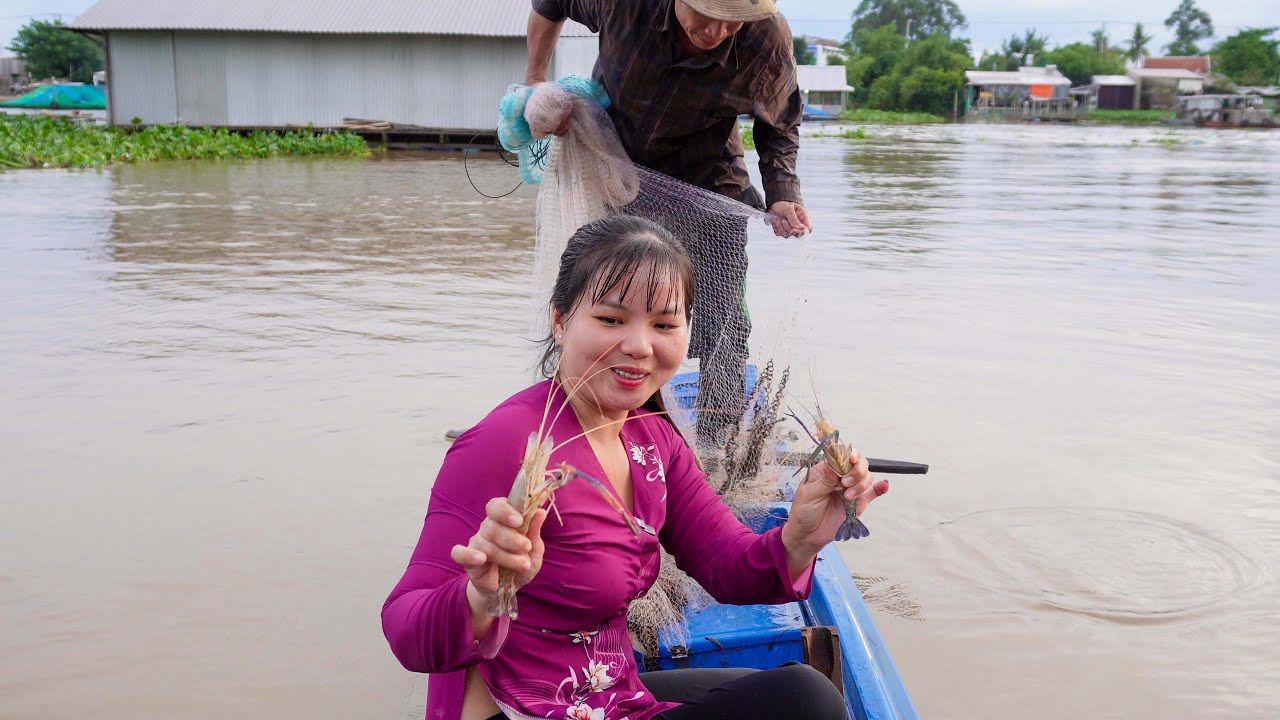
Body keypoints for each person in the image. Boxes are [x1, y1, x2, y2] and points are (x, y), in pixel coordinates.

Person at [382, 215, 889, 720]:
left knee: (788, 690)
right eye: (611, 319)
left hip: (605, 693)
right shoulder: (504, 443)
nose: (640, 346)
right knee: (807, 700)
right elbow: (404, 626)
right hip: (522, 710)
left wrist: (802, 538)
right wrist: (479, 596)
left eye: (665, 324)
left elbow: (725, 564)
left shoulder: (652, 441)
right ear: (560, 321)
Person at [523, 0, 813, 447]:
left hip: (709, 181)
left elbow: (779, 121)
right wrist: (535, 83)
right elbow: (548, 6)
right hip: (614, 170)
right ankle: (601, 425)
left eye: (731, 20)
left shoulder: (764, 36)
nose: (716, 30)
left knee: (723, 319)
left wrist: (782, 194)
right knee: (613, 310)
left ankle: (718, 445)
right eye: (705, 13)